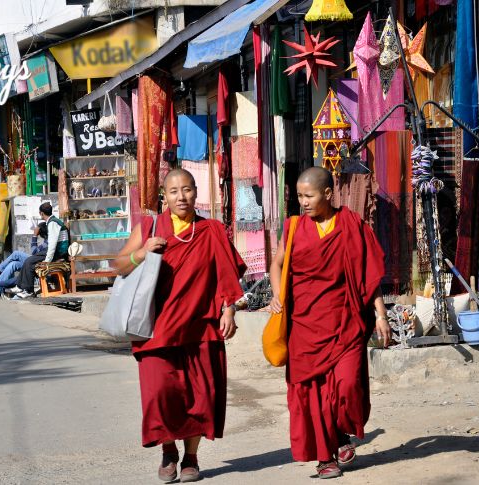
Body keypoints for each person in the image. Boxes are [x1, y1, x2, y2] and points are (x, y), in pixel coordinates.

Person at [112, 169, 246, 483]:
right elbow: (118, 265)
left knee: (199, 397)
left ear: (196, 191)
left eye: (186, 190)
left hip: (200, 329)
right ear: (165, 196)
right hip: (157, 329)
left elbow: (227, 274)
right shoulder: (150, 226)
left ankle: (192, 457)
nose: (181, 197)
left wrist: (229, 310)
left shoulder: (211, 230)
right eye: (174, 191)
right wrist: (142, 253)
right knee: (160, 394)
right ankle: (169, 450)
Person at [269, 167, 392, 480]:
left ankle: (341, 432)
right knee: (313, 394)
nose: (304, 202)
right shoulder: (294, 227)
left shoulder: (351, 224)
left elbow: (368, 275)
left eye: (309, 196)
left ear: (327, 193)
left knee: (347, 384)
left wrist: (380, 314)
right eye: (299, 196)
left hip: (346, 321)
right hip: (304, 324)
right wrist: (276, 295)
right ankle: (326, 457)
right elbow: (277, 264)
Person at [11, 202, 69, 299]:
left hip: (58, 252)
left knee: (29, 261)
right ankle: (21, 287)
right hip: (55, 251)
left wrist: (47, 261)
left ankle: (28, 290)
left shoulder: (52, 223)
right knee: (31, 263)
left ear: (41, 213)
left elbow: (52, 244)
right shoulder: (52, 222)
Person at [0, 222, 48, 295]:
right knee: (13, 264)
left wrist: (34, 236)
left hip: (38, 261)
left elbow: (34, 252)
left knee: (16, 254)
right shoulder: (46, 240)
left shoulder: (48, 241)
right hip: (36, 260)